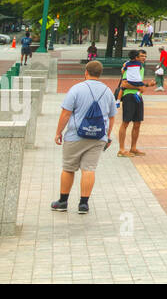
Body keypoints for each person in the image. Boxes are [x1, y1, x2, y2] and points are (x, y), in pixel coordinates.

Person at [51, 59, 116, 213]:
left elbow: (66, 113)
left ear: (86, 72)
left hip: (75, 135)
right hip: (98, 137)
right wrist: (107, 136)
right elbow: (112, 116)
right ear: (100, 73)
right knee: (89, 169)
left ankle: (63, 201)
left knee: (68, 168)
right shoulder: (107, 91)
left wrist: (58, 132)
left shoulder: (76, 89)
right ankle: (83, 204)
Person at [115, 49, 147, 157]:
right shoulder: (130, 67)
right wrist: (139, 87)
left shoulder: (141, 68)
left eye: (145, 56)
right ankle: (121, 149)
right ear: (136, 57)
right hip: (129, 96)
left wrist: (142, 88)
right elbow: (124, 84)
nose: (143, 58)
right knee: (125, 122)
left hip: (138, 97)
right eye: (141, 56)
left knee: (137, 123)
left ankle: (133, 148)